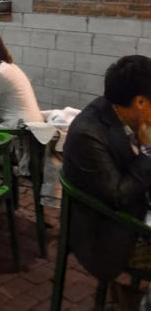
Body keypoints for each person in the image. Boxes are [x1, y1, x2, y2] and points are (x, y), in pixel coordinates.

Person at [63, 55, 151, 282]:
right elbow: (118, 196)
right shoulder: (88, 133)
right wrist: (148, 150)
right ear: (140, 102)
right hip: (107, 233)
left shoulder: (123, 113)